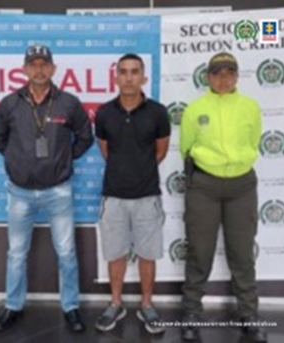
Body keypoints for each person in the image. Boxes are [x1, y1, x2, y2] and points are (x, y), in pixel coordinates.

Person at [0, 44, 93, 333]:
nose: (39, 69)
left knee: (66, 252)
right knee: (16, 253)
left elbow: (85, 136)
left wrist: (64, 159)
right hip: (19, 191)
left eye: (44, 64)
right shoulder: (9, 103)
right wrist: (18, 159)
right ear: (24, 69)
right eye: (33, 64)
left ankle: (71, 307)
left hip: (58, 190)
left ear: (53, 69)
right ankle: (13, 305)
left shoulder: (68, 103)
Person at [179, 52, 267, 342]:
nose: (224, 78)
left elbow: (253, 142)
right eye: (218, 73)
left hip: (242, 186)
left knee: (242, 253)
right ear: (208, 77)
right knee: (199, 251)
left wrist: (238, 162)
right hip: (204, 186)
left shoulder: (250, 107)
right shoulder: (195, 109)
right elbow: (186, 147)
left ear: (237, 76)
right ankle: (191, 312)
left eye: (230, 72)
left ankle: (248, 315)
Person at [94, 53, 171, 334]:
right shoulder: (104, 113)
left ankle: (147, 305)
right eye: (123, 72)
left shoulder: (158, 112)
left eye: (134, 72)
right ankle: (116, 303)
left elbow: (159, 152)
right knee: (115, 254)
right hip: (113, 196)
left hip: (147, 196)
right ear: (116, 77)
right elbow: (106, 150)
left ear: (144, 77)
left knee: (147, 254)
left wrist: (139, 169)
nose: (128, 77)